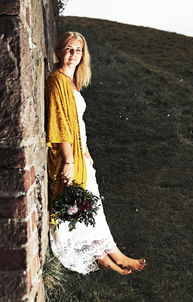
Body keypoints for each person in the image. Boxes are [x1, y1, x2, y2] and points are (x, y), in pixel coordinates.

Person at [45, 31, 146, 275]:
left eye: (77, 50)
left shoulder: (72, 82)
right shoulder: (57, 81)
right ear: (58, 52)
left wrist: (86, 152)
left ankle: (111, 253)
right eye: (68, 49)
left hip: (81, 153)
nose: (72, 55)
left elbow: (77, 122)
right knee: (82, 205)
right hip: (68, 155)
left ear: (83, 55)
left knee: (91, 205)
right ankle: (107, 257)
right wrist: (69, 161)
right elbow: (61, 124)